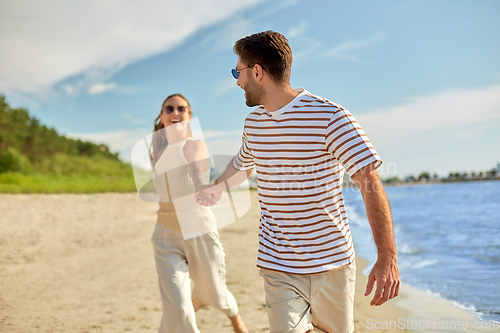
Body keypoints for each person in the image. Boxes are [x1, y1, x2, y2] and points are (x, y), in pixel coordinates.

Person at [196, 31, 400, 333]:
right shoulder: (254, 124)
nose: (237, 81)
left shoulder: (330, 117)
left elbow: (369, 182)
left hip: (332, 264)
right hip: (278, 264)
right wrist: (216, 188)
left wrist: (387, 257)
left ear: (257, 71)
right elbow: (243, 165)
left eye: (237, 72)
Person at [149, 93, 248, 333]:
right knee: (179, 307)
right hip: (165, 235)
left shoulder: (194, 145)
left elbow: (195, 166)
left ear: (189, 116)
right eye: (169, 109)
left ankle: (235, 319)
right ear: (161, 117)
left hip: (198, 229)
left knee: (215, 294)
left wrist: (197, 184)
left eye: (181, 109)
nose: (175, 113)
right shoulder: (157, 152)